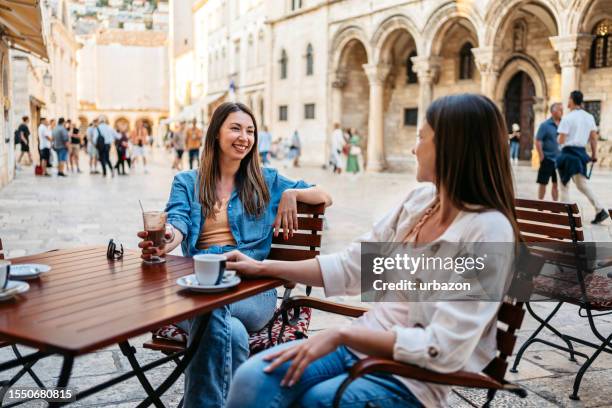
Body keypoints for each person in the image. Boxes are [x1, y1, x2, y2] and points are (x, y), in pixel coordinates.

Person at [224, 94, 519, 408]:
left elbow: (443, 349)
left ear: (452, 147)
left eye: (421, 137)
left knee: (317, 401)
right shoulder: (420, 202)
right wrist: (262, 267)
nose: (413, 148)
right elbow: (353, 267)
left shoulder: (488, 230)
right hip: (362, 344)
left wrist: (342, 336)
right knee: (252, 378)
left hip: (413, 378)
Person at [136, 102, 331, 407]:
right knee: (231, 332)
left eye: (250, 130)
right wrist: (165, 240)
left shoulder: (266, 180)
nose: (244, 137)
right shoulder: (187, 182)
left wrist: (293, 193)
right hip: (201, 287)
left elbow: (324, 194)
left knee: (211, 311)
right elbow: (177, 223)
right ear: (216, 134)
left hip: (252, 290)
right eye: (236, 128)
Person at [557, 90, 609, 224]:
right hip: (580, 154)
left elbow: (561, 140)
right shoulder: (589, 117)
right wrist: (595, 154)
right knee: (582, 185)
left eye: (568, 99)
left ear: (572, 100)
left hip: (568, 154)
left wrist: (558, 139)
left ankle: (566, 216)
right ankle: (600, 209)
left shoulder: (567, 118)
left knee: (564, 185)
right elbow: (593, 138)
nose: (567, 101)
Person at [535, 103, 562, 201]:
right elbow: (538, 140)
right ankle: (540, 205)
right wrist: (541, 156)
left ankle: (555, 206)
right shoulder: (545, 125)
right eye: (560, 110)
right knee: (543, 183)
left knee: (556, 184)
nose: (562, 112)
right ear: (553, 111)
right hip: (547, 159)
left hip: (559, 161)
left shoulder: (564, 124)